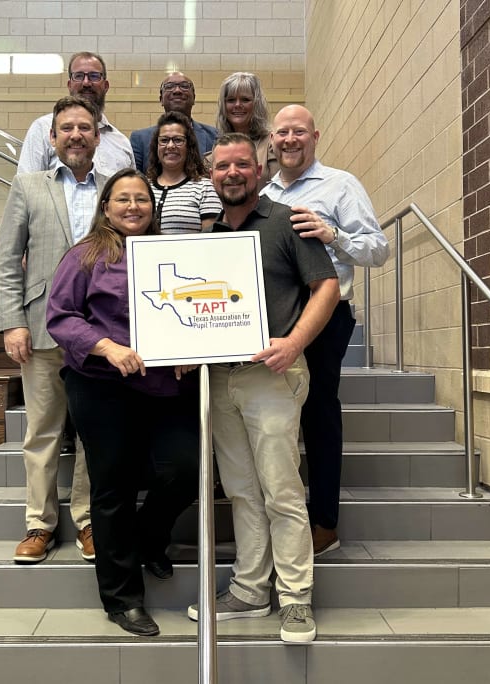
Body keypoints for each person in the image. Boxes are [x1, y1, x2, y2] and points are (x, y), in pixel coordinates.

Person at [187, 133, 340, 643]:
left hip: (271, 376)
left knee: (281, 490)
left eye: (242, 165)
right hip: (220, 378)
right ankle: (251, 590)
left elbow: (327, 287)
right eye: (222, 166)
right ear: (212, 175)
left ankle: (295, 599)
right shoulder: (207, 235)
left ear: (259, 169)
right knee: (241, 492)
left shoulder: (287, 221)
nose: (232, 173)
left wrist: (295, 343)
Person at [46, 169, 199, 637]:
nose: (133, 207)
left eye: (142, 200)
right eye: (122, 199)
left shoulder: (168, 253)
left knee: (184, 469)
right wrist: (106, 346)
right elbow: (60, 317)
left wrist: (192, 351)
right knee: (111, 488)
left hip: (165, 387)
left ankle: (150, 540)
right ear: (106, 206)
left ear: (153, 208)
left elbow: (193, 308)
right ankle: (122, 599)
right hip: (100, 385)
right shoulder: (84, 255)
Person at [262, 105, 389, 556]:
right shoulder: (265, 192)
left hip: (327, 313)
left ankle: (324, 522)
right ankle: (277, 517)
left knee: (318, 413)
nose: (289, 140)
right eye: (282, 133)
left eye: (298, 132)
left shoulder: (341, 184)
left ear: (314, 137)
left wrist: (332, 234)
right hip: (276, 317)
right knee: (274, 417)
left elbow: (378, 249)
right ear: (272, 141)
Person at [0, 96, 109, 564]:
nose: (76, 134)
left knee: (91, 432)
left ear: (98, 136)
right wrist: (12, 322)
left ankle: (86, 520)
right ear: (53, 137)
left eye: (85, 127)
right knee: (42, 432)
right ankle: (38, 525)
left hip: (101, 332)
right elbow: (7, 262)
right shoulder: (27, 186)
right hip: (40, 330)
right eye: (67, 128)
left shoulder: (116, 188)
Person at [17, 51, 134, 176]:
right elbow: (26, 188)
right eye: (78, 76)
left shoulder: (122, 143)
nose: (86, 83)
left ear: (105, 86)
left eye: (94, 76)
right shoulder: (42, 129)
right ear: (69, 85)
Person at [145, 110, 221, 234]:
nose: (170, 146)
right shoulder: (144, 186)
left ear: (189, 146)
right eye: (164, 140)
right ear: (156, 146)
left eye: (178, 140)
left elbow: (211, 241)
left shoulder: (205, 188)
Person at [130, 72, 217, 172]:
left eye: (184, 86)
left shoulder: (214, 136)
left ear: (194, 98)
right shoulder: (139, 139)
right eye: (169, 86)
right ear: (161, 99)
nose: (177, 91)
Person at [211, 71, 278, 190]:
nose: (237, 105)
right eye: (231, 100)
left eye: (245, 100)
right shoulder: (214, 152)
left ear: (256, 104)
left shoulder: (272, 144)